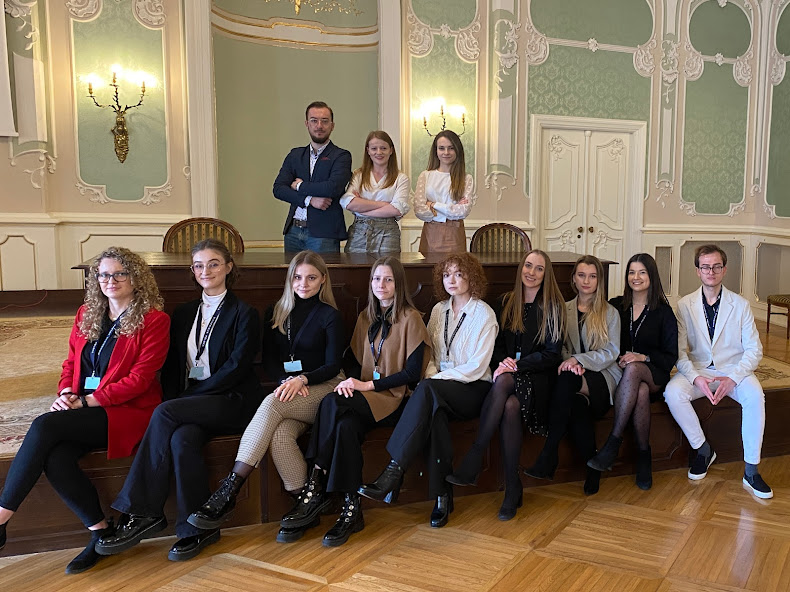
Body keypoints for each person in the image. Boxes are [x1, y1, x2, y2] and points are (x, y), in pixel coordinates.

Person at [0, 247, 169, 574]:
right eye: (103, 275)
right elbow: (70, 363)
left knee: (45, 426)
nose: (110, 281)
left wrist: (86, 401)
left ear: (136, 278)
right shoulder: (86, 314)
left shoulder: (153, 320)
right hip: (84, 406)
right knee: (55, 456)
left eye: (120, 274)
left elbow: (140, 380)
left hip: (127, 411)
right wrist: (66, 392)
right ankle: (100, 532)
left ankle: (2, 519)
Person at [95, 239, 265, 561]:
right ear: (192, 270)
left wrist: (184, 400)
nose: (205, 271)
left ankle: (141, 510)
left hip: (232, 400)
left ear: (228, 267)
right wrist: (179, 399)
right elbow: (173, 367)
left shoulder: (244, 313)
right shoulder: (185, 313)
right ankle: (196, 529)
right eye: (198, 265)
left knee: (166, 413)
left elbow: (236, 368)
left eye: (213, 263)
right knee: (181, 440)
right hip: (192, 402)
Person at [186, 251, 344, 540]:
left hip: (327, 386)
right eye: (297, 277)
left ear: (323, 280)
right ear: (289, 279)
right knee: (280, 435)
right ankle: (305, 503)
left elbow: (333, 365)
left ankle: (230, 489)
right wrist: (287, 381)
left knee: (272, 403)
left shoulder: (329, 315)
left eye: (311, 278)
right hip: (291, 388)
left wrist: (302, 379)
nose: (303, 284)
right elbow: (270, 360)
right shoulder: (276, 311)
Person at [279, 257, 431, 546]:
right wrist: (351, 382)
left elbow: (412, 374)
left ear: (399, 284)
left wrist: (366, 384)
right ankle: (352, 508)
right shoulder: (366, 317)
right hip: (365, 397)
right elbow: (351, 361)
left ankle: (315, 483)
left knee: (331, 403)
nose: (381, 285)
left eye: (388, 279)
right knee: (344, 426)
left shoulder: (410, 318)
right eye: (376, 279)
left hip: (395, 399)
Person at [359, 253, 497, 528]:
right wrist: (434, 378)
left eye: (459, 274)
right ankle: (442, 497)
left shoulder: (484, 314)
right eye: (446, 275)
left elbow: (477, 366)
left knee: (430, 392)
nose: (451, 280)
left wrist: (436, 380)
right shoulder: (438, 311)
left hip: (473, 389)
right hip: (438, 388)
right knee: (435, 416)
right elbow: (429, 355)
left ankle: (394, 471)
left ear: (472, 277)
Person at [447, 250, 565, 520]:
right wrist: (505, 362)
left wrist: (516, 366)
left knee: (503, 381)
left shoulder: (553, 306)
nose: (531, 272)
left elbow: (552, 354)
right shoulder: (505, 302)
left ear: (546, 275)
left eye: (538, 268)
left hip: (539, 378)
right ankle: (512, 486)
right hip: (507, 375)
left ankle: (476, 455)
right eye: (528, 266)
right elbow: (496, 346)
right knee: (510, 405)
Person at [663, 244, 771, 498]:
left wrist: (733, 378)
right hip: (699, 370)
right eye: (705, 267)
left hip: (734, 370)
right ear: (697, 271)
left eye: (716, 266)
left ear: (724, 269)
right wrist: (695, 378)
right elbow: (679, 352)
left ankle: (751, 471)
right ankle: (702, 449)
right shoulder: (684, 305)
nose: (711, 272)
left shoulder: (741, 305)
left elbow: (754, 350)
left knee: (755, 396)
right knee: (672, 393)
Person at [525, 255, 621, 496]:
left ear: (599, 281)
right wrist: (571, 362)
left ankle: (549, 451)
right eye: (581, 275)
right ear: (574, 279)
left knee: (567, 381)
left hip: (603, 377)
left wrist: (579, 361)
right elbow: (560, 348)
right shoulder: (563, 309)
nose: (586, 281)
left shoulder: (610, 312)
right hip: (572, 377)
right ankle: (592, 467)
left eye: (592, 276)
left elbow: (611, 352)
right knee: (576, 406)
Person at [587, 254, 678, 490]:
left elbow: (671, 356)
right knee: (641, 391)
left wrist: (643, 357)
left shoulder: (664, 312)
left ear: (652, 276)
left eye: (642, 272)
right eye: (631, 272)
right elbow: (604, 340)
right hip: (623, 374)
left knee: (637, 370)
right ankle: (644, 455)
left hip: (654, 372)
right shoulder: (616, 306)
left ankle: (613, 442)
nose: (635, 277)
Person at [273, 101, 353, 253]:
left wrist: (299, 186)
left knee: (324, 270)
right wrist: (309, 200)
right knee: (292, 270)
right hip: (293, 232)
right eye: (314, 120)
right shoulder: (295, 155)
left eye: (324, 121)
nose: (319, 126)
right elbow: (278, 189)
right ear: (307, 124)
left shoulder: (341, 156)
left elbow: (332, 188)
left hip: (324, 234)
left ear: (332, 125)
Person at [340, 130, 410, 253]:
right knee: (355, 265)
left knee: (387, 265)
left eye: (383, 148)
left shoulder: (401, 178)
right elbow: (348, 202)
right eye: (374, 148)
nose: (379, 152)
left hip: (388, 233)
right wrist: (384, 204)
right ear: (368, 151)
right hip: (359, 232)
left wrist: (362, 208)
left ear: (391, 150)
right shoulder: (358, 175)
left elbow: (397, 209)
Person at [412, 130, 475, 254]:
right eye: (441, 148)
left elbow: (463, 211)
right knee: (428, 266)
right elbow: (419, 210)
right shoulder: (425, 176)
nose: (446, 152)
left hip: (455, 234)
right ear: (436, 151)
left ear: (457, 150)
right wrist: (451, 209)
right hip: (430, 233)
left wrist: (433, 204)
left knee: (455, 266)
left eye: (451, 148)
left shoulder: (466, 178)